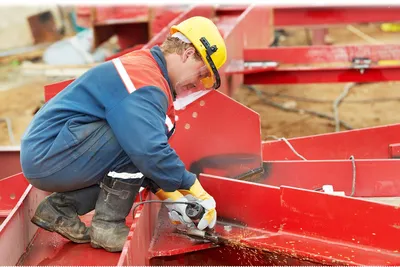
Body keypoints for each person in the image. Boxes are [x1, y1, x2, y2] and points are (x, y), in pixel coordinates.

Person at [20, 16, 227, 253]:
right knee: (138, 141)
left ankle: (61, 209)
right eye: (201, 74)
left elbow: (141, 162)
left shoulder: (148, 71)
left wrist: (173, 199)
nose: (197, 84)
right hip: (49, 155)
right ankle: (107, 228)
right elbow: (147, 149)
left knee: (140, 144)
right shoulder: (143, 80)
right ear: (188, 53)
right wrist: (194, 188)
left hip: (57, 153)